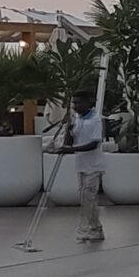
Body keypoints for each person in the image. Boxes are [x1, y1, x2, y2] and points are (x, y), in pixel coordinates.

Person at [52, 88, 107, 244]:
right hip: (81, 166)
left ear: (89, 102)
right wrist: (68, 130)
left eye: (78, 103)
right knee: (86, 199)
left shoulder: (95, 120)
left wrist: (71, 150)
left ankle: (90, 229)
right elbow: (69, 142)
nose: (75, 106)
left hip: (93, 166)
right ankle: (95, 228)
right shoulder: (77, 119)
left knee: (89, 198)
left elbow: (94, 144)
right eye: (74, 103)